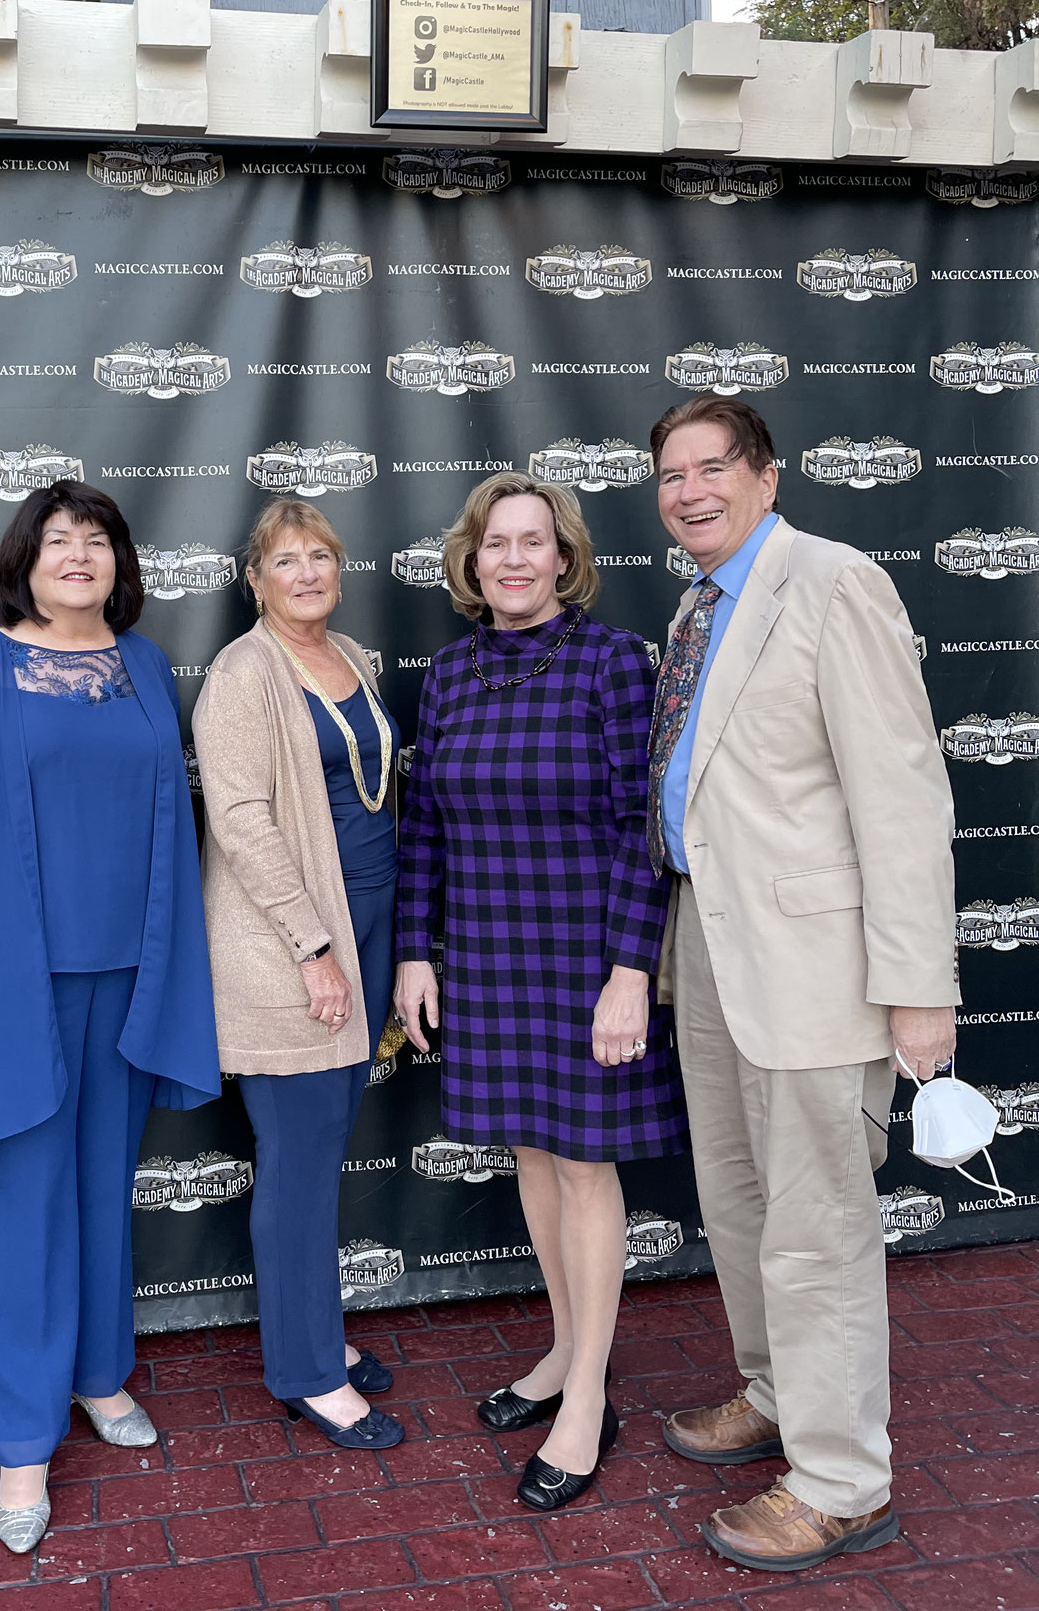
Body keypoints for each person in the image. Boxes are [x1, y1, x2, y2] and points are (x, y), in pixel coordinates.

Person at [647, 394, 957, 1574]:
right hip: (716, 951)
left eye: (711, 466)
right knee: (739, 1200)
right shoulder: (696, 609)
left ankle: (842, 1479)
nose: (689, 490)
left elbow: (902, 790)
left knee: (819, 1226)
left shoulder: (833, 583)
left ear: (767, 477)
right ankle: (776, 1392)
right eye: (670, 473)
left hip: (823, 967)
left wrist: (918, 985)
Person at [0, 480, 219, 1555]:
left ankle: (96, 1373)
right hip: (4, 982)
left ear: (121, 562)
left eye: (98, 539)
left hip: (127, 977)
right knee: (14, 1201)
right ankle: (20, 1436)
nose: (79, 554)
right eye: (58, 539)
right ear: (23, 559)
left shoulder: (145, 669)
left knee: (98, 1187)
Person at [393, 472, 684, 1512]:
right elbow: (423, 820)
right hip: (485, 950)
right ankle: (565, 1350)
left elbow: (640, 826)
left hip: (583, 955)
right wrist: (417, 951)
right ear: (472, 560)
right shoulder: (453, 667)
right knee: (530, 1149)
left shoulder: (613, 663)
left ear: (566, 557)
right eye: (494, 542)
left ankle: (590, 1394)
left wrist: (628, 970)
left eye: (533, 540)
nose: (512, 558)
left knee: (584, 1164)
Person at [192, 500, 405, 1452]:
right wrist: (313, 947)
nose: (308, 572)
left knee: (322, 1151)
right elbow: (238, 820)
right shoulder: (242, 675)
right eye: (287, 560)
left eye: (321, 555)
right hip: (290, 943)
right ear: (256, 580)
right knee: (297, 1160)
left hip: (368, 918)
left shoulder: (355, 658)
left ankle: (316, 1335)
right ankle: (309, 1374)